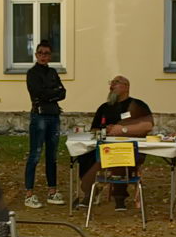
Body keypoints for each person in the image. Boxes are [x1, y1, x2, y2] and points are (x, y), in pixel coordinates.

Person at [78, 75, 154, 211]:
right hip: (104, 148)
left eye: (116, 83)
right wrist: (105, 130)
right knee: (84, 155)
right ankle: (89, 192)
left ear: (126, 87)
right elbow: (94, 129)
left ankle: (119, 197)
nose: (112, 86)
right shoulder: (104, 108)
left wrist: (123, 130)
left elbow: (148, 126)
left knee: (119, 155)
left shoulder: (137, 105)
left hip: (129, 149)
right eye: (111, 83)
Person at [23, 41, 66, 208]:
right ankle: (29, 194)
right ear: (36, 55)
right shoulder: (32, 73)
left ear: (50, 56)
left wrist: (50, 94)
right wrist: (52, 93)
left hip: (54, 116)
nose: (43, 56)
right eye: (40, 53)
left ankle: (52, 191)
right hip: (39, 116)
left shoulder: (53, 72)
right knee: (35, 154)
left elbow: (62, 92)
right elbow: (38, 93)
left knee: (52, 155)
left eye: (46, 53)